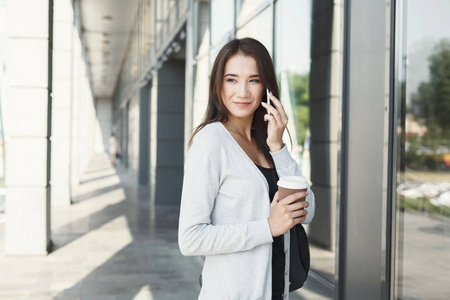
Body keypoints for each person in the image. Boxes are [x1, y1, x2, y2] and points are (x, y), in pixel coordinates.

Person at [178, 38, 315, 300]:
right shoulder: (211, 142)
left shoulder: (267, 142)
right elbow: (190, 238)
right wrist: (267, 227)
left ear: (266, 87)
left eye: (253, 80)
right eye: (232, 79)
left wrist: (278, 147)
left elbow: (308, 211)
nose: (242, 92)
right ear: (218, 84)